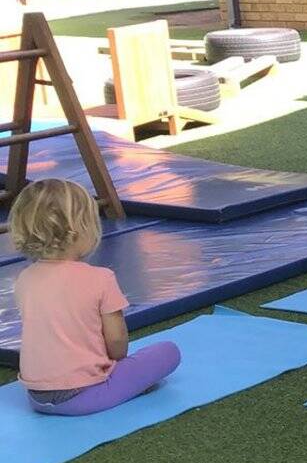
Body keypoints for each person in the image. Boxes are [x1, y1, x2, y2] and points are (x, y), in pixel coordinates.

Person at [10, 178, 181, 416]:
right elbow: (117, 344)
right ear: (80, 230)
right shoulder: (100, 278)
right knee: (168, 351)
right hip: (84, 395)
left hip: (37, 397)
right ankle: (126, 388)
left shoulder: (24, 279)